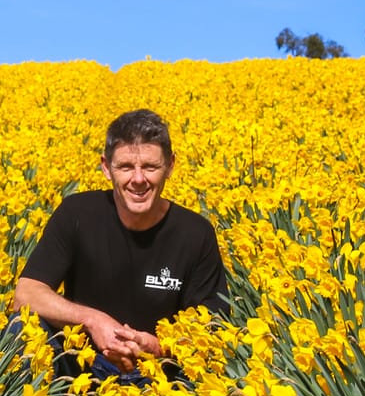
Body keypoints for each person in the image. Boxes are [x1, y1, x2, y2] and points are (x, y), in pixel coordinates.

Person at [14, 108, 227, 377]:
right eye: (126, 167)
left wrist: (160, 348)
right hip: (81, 367)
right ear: (106, 167)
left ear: (170, 166)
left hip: (158, 376)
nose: (138, 179)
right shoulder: (77, 214)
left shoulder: (196, 233)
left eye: (150, 167)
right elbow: (26, 294)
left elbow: (211, 326)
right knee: (21, 329)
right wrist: (92, 321)